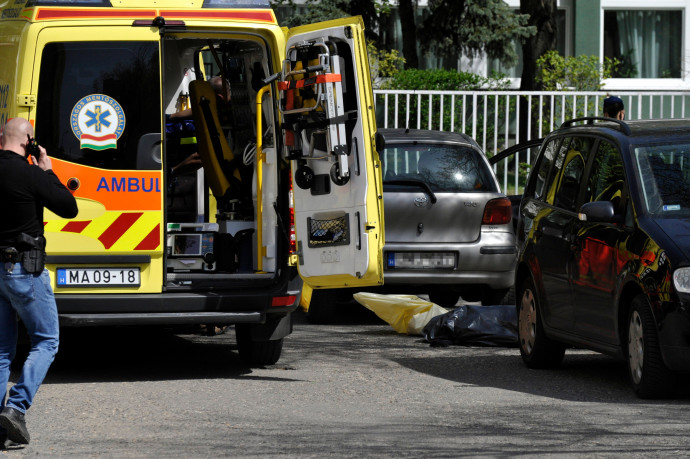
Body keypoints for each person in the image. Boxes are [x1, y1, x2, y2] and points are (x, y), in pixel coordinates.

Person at [0, 118, 78, 447]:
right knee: (46, 341)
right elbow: (68, 207)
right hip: (24, 270)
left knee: (2, 350)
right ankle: (15, 410)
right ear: (29, 142)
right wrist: (47, 170)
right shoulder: (31, 174)